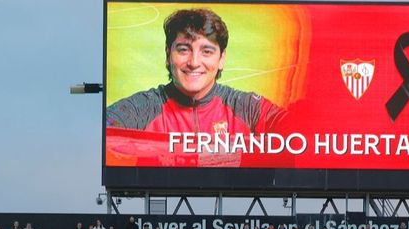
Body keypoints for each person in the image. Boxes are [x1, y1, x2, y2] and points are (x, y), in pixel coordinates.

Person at [104, 8, 284, 136]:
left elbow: (302, 130)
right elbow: (103, 132)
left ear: (221, 59)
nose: (194, 62)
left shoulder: (246, 108)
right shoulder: (142, 108)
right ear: (168, 55)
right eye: (183, 49)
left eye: (206, 51)